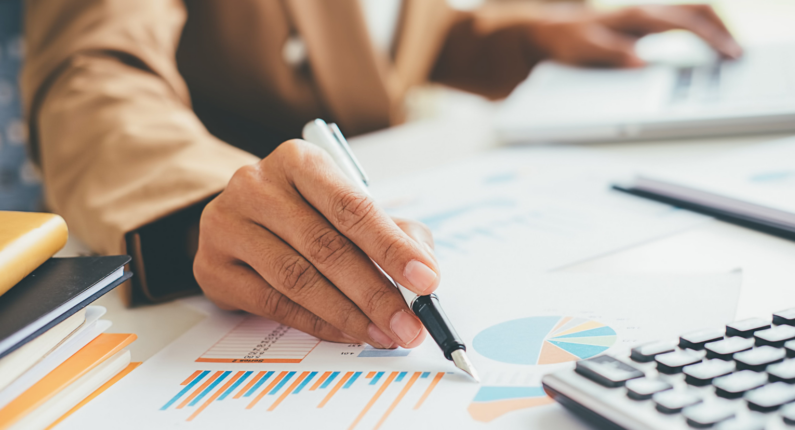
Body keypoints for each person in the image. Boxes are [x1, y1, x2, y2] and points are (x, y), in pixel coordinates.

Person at [22, 0, 740, 350]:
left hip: (391, 195)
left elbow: (386, 34)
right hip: (229, 262)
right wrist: (205, 195)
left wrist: (526, 39)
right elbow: (94, 74)